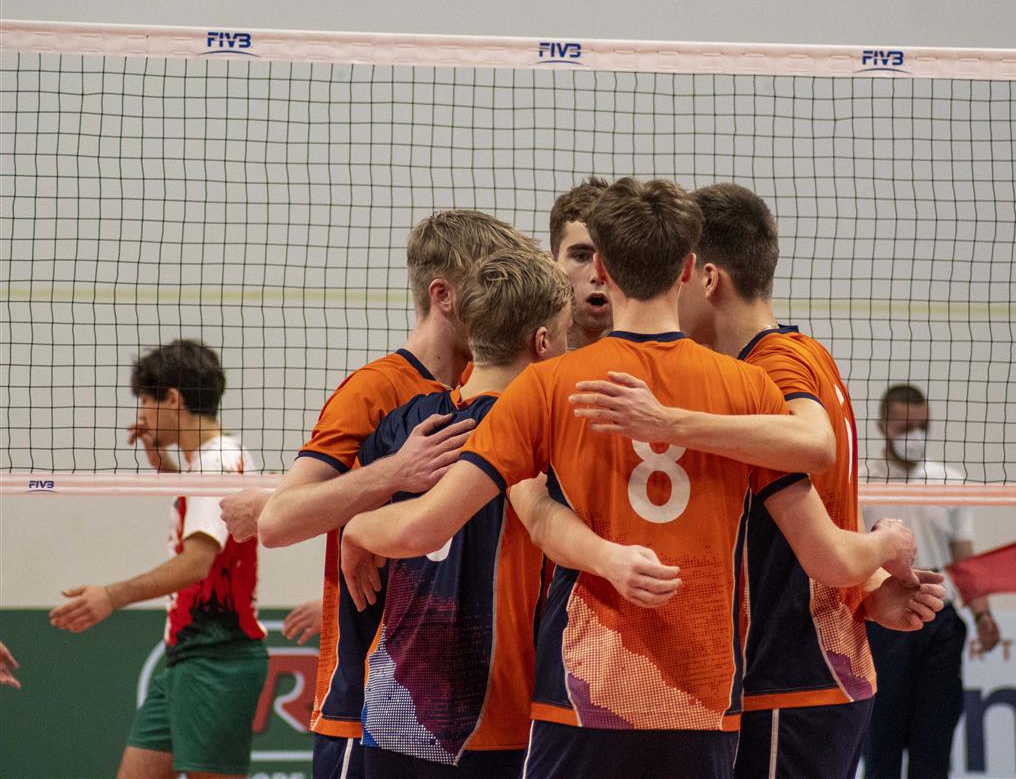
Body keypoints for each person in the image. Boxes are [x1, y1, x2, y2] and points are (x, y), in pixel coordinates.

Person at [342, 178, 921, 779]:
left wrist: (358, 529)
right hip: (702, 703)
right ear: (688, 269)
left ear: (603, 271)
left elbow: (423, 528)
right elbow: (828, 557)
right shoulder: (748, 389)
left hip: (582, 695)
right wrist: (888, 543)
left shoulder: (548, 385)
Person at [567, 182, 944, 778]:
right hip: (806, 672)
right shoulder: (800, 354)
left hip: (790, 677)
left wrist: (666, 423)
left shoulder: (772, 366)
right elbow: (820, 508)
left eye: (678, 277)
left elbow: (813, 444)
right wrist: (870, 582)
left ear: (707, 279)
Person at [219, 210, 534, 779]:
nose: (498, 297)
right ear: (443, 295)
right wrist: (394, 472)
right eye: (484, 282)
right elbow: (280, 521)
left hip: (471, 704)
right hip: (368, 705)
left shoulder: (495, 392)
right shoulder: (376, 388)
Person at [354, 248, 572, 778]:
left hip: (393, 708)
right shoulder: (536, 432)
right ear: (543, 342)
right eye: (567, 334)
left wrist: (353, 533)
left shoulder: (404, 422)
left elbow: (362, 508)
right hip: (496, 714)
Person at [51, 339, 264, 779]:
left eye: (146, 401)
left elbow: (196, 563)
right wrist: (166, 466)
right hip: (189, 655)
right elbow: (210, 521)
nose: (142, 414)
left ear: (173, 399)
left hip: (217, 660)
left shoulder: (216, 463)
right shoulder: (212, 460)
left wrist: (111, 596)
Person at [861, 384, 1002, 779]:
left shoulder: (950, 481)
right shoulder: (860, 481)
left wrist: (983, 614)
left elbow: (964, 557)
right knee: (881, 747)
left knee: (934, 749)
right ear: (882, 426)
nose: (915, 435)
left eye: (922, 426)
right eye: (905, 427)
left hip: (939, 623)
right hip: (882, 624)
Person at [549, 176, 612, 350]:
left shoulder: (654, 358)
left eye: (610, 258)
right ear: (552, 265)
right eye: (581, 257)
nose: (597, 275)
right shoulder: (525, 360)